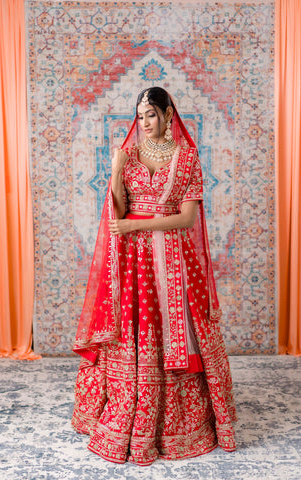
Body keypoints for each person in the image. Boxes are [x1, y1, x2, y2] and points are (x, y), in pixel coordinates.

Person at [71, 86, 237, 465]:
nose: (145, 122)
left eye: (151, 114)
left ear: (167, 114)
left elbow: (187, 218)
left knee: (176, 332)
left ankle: (182, 424)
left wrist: (135, 229)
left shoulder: (187, 156)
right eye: (140, 115)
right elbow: (119, 207)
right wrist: (115, 170)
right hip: (134, 263)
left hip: (173, 260)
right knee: (133, 329)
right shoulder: (129, 155)